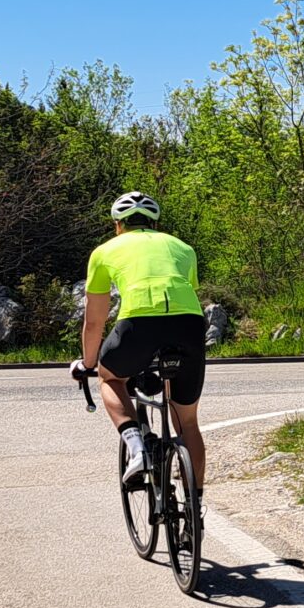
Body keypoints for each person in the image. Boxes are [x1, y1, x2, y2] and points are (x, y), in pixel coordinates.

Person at [74, 192, 207, 494]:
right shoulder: (183, 248)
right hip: (190, 323)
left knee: (110, 377)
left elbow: (94, 322)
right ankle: (195, 509)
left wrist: (89, 364)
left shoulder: (104, 251)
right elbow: (184, 292)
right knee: (187, 424)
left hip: (139, 323)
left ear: (118, 225)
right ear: (155, 224)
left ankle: (137, 448)